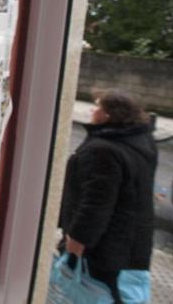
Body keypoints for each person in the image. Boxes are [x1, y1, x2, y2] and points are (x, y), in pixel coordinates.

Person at [58, 90, 158, 303]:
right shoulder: (142, 141)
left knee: (95, 291)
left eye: (98, 107)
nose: (92, 110)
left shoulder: (104, 150)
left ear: (108, 116)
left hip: (106, 247)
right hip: (133, 245)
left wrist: (77, 239)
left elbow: (96, 203)